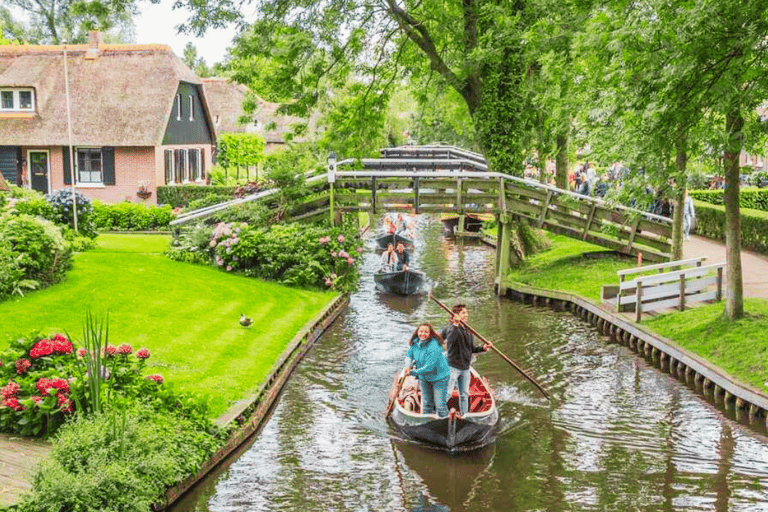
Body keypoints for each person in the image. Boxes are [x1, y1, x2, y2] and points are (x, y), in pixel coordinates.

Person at [442, 303, 491, 417]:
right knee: (448, 392)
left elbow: (471, 349)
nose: (466, 314)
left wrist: (483, 348)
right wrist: (455, 325)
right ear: (456, 315)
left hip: (465, 368)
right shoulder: (451, 328)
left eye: (466, 312)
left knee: (464, 394)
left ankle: (464, 415)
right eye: (463, 312)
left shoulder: (468, 331)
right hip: (453, 367)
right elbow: (450, 343)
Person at [403, 322, 451, 417]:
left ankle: (447, 422)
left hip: (439, 378)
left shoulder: (434, 346)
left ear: (430, 334)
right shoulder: (415, 342)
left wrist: (412, 372)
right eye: (421, 331)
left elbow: (429, 367)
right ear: (417, 332)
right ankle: (427, 422)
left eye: (426, 332)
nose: (423, 334)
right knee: (426, 404)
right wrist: (407, 367)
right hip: (424, 378)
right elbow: (409, 355)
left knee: (440, 405)